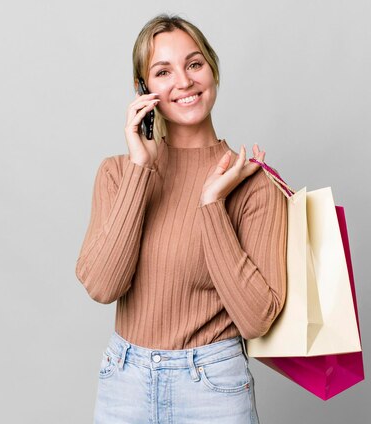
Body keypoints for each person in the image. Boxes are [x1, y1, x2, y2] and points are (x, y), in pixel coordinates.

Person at [76, 13, 287, 424]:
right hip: (125, 383)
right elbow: (103, 286)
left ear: (212, 70)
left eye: (194, 64)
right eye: (162, 71)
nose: (184, 82)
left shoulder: (252, 184)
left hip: (214, 387)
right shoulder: (119, 173)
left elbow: (256, 319)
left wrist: (212, 204)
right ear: (143, 89)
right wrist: (142, 169)